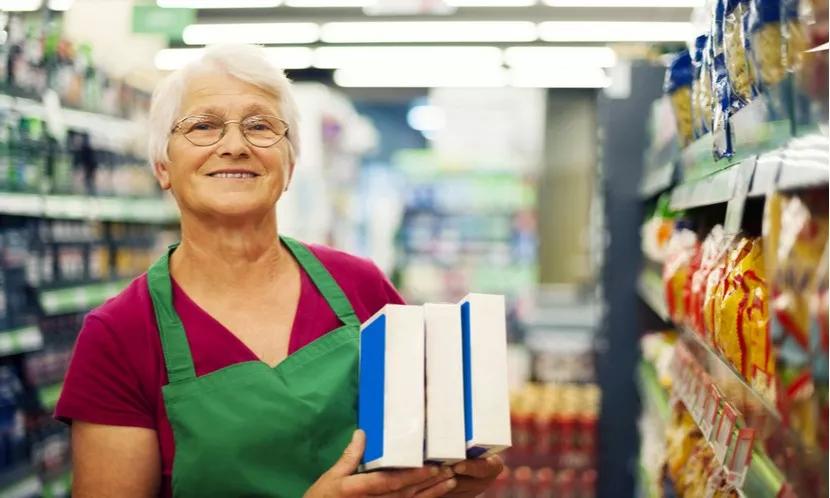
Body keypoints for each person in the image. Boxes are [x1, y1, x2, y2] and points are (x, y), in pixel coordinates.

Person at [54, 44, 503, 498]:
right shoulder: (119, 335)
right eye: (204, 126)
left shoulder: (362, 288)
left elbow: (429, 453)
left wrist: (456, 480)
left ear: (289, 165)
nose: (235, 146)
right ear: (162, 165)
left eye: (261, 126)